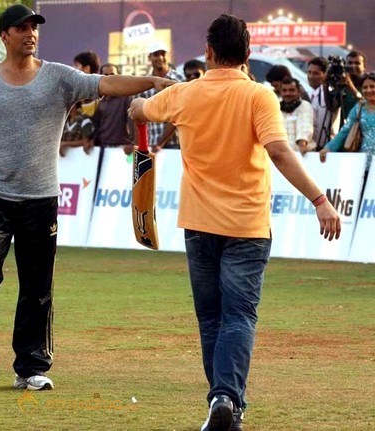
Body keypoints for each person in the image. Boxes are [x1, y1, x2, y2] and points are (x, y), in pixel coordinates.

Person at [0, 4, 172, 394]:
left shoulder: (60, 78)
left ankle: (30, 367)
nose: (30, 33)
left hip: (41, 198)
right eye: (21, 27)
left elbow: (107, 85)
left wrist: (154, 81)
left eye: (34, 27)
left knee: (37, 286)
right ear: (5, 35)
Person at [128, 14, 341, 431]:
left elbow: (140, 109)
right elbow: (279, 152)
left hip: (199, 223)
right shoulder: (259, 96)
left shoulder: (185, 95)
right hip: (246, 225)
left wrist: (147, 97)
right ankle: (227, 400)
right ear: (246, 55)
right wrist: (319, 199)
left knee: (211, 318)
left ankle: (222, 403)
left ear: (208, 52)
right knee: (239, 316)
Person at [320, 73, 375, 173]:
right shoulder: (359, 108)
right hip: (364, 161)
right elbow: (345, 131)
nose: (368, 90)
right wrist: (328, 148)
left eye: (372, 86)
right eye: (365, 87)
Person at [140, 41, 183, 151]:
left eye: (162, 54)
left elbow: (178, 113)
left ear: (168, 56)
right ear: (149, 57)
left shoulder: (179, 80)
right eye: (156, 54)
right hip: (150, 144)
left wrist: (160, 143)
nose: (160, 58)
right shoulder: (145, 83)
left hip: (175, 144)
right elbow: (139, 117)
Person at [93, 63, 134, 155]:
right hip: (102, 148)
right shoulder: (99, 98)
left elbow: (133, 122)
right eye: (106, 75)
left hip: (122, 148)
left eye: (112, 75)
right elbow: (97, 124)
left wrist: (133, 144)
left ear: (119, 77)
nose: (109, 78)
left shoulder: (126, 97)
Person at [307, 57, 339, 149]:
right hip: (311, 149)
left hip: (327, 148)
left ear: (325, 74)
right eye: (309, 72)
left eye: (316, 73)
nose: (311, 76)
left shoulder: (330, 94)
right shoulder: (308, 94)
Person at [280, 77, 315, 155]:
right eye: (284, 91)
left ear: (299, 92)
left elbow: (305, 126)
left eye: (291, 90)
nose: (287, 93)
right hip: (281, 155)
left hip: (300, 154)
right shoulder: (277, 107)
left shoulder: (304, 105)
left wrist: (302, 143)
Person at [73, 51, 101, 118]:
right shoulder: (73, 92)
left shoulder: (99, 93)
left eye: (76, 65)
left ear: (87, 68)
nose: (73, 68)